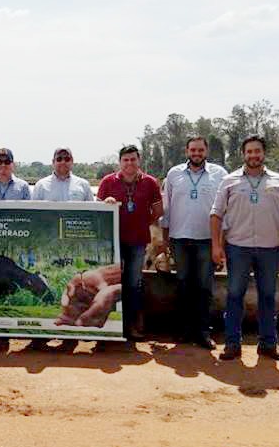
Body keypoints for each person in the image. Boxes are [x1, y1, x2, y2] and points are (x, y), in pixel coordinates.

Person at [210, 134, 279, 361]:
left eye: (257, 151)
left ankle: (268, 344)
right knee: (234, 295)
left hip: (269, 249)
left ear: (264, 153)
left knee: (268, 296)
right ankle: (232, 343)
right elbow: (216, 214)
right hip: (237, 248)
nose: (253, 155)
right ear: (243, 154)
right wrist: (216, 246)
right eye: (249, 151)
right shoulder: (229, 181)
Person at [158, 136, 228, 349]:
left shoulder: (219, 174)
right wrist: (165, 240)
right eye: (193, 150)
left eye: (200, 150)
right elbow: (167, 209)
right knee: (183, 285)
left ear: (206, 151)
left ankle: (204, 332)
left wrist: (220, 244)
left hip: (207, 239)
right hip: (179, 239)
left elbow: (225, 210)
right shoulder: (174, 174)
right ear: (186, 151)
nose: (196, 153)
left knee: (204, 287)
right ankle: (185, 330)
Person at [97, 145, 163, 340]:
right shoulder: (108, 182)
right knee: (110, 283)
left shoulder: (150, 182)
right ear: (120, 162)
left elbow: (158, 211)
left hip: (137, 242)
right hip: (112, 242)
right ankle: (107, 326)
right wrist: (105, 204)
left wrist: (143, 222)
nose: (129, 163)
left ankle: (132, 325)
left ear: (139, 160)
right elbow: (96, 211)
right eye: (125, 160)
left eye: (133, 159)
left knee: (134, 284)